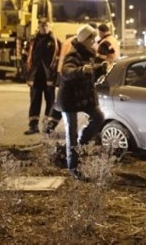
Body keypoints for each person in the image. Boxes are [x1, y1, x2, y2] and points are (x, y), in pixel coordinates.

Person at [54, 24, 108, 180]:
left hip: (83, 97)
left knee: (98, 117)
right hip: (69, 99)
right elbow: (67, 72)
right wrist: (81, 70)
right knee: (71, 131)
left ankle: (81, 141)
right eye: (91, 38)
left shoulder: (88, 53)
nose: (94, 41)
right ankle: (73, 167)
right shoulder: (73, 55)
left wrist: (100, 68)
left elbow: (89, 71)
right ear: (84, 39)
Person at [23, 18, 60, 135]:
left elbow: (59, 60)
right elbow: (24, 57)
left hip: (49, 78)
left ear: (49, 26)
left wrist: (55, 76)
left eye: (46, 25)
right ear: (38, 26)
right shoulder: (32, 41)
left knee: (50, 102)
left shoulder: (55, 41)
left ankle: (48, 127)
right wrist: (27, 74)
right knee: (34, 101)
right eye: (42, 25)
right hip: (35, 77)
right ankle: (33, 126)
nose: (44, 27)